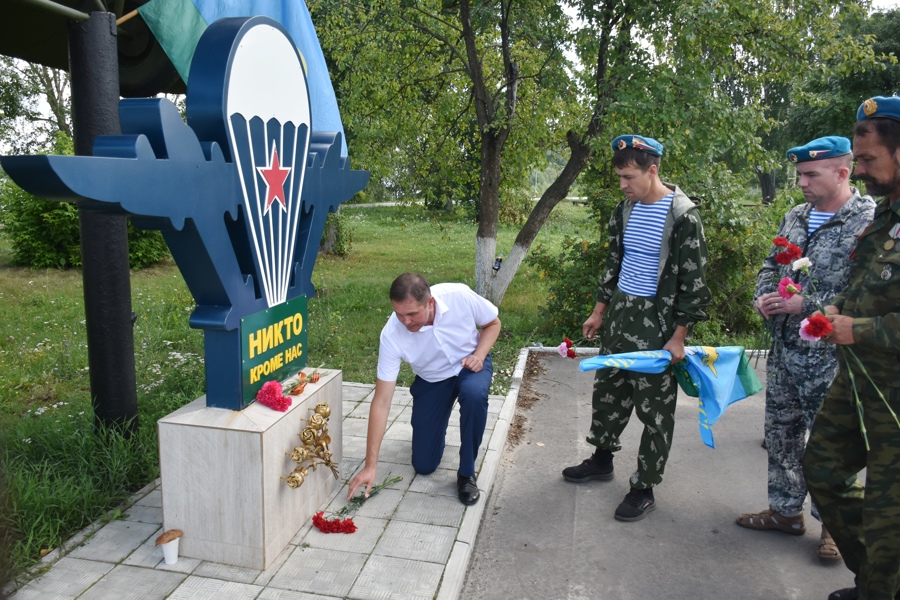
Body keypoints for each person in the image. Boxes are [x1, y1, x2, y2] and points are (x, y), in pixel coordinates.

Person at [736, 137, 875, 562]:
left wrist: (807, 305)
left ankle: (834, 526)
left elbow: (870, 291)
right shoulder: (795, 216)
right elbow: (771, 264)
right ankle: (785, 512)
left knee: (833, 444)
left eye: (810, 174)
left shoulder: (868, 220)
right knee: (781, 433)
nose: (801, 183)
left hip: (832, 356)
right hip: (784, 349)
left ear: (843, 173)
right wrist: (763, 298)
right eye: (798, 174)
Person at [562, 134, 711, 522]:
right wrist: (599, 312)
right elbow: (614, 262)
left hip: (657, 323)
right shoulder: (624, 210)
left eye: (629, 177)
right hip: (622, 315)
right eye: (620, 178)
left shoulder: (683, 216)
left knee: (655, 410)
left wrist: (679, 337)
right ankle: (601, 459)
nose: (623, 185)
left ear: (653, 170)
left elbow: (693, 285)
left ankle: (644, 487)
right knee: (609, 392)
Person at [803, 97, 900, 600]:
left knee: (890, 521)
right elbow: (861, 282)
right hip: (861, 382)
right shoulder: (887, 214)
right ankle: (876, 581)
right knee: (820, 467)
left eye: (867, 161)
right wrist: (835, 310)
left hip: (895, 397)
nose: (858, 171)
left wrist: (858, 329)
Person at [347, 272, 501, 506]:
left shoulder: (458, 296)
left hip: (469, 364)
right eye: (399, 314)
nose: (406, 322)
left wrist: (479, 355)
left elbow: (492, 323)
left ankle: (466, 473)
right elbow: (381, 401)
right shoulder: (391, 334)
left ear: (430, 303)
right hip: (432, 379)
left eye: (412, 314)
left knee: (473, 395)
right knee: (424, 465)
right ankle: (435, 429)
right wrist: (370, 465)